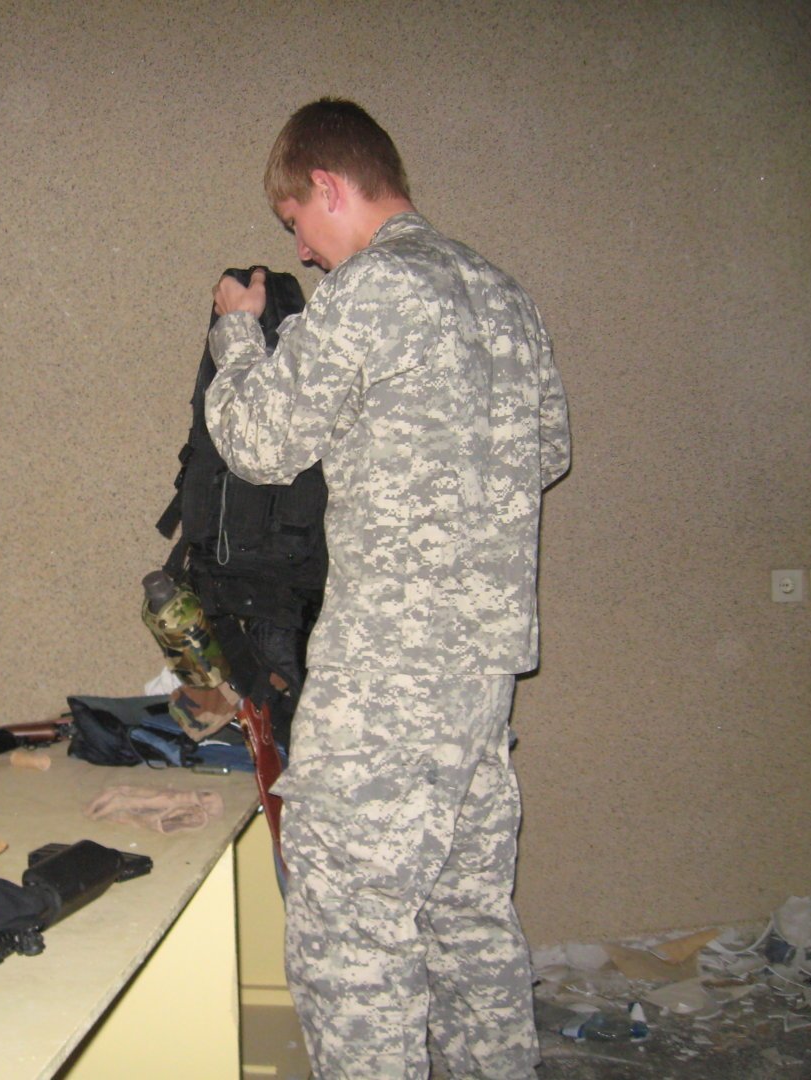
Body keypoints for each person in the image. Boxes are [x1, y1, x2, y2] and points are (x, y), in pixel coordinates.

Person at [204, 99, 570, 1079]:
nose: (304, 251)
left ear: (329, 185)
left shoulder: (373, 289)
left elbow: (260, 442)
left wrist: (238, 332)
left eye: (296, 221)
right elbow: (546, 452)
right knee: (468, 925)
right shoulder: (503, 295)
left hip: (388, 677)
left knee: (351, 942)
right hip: (481, 677)